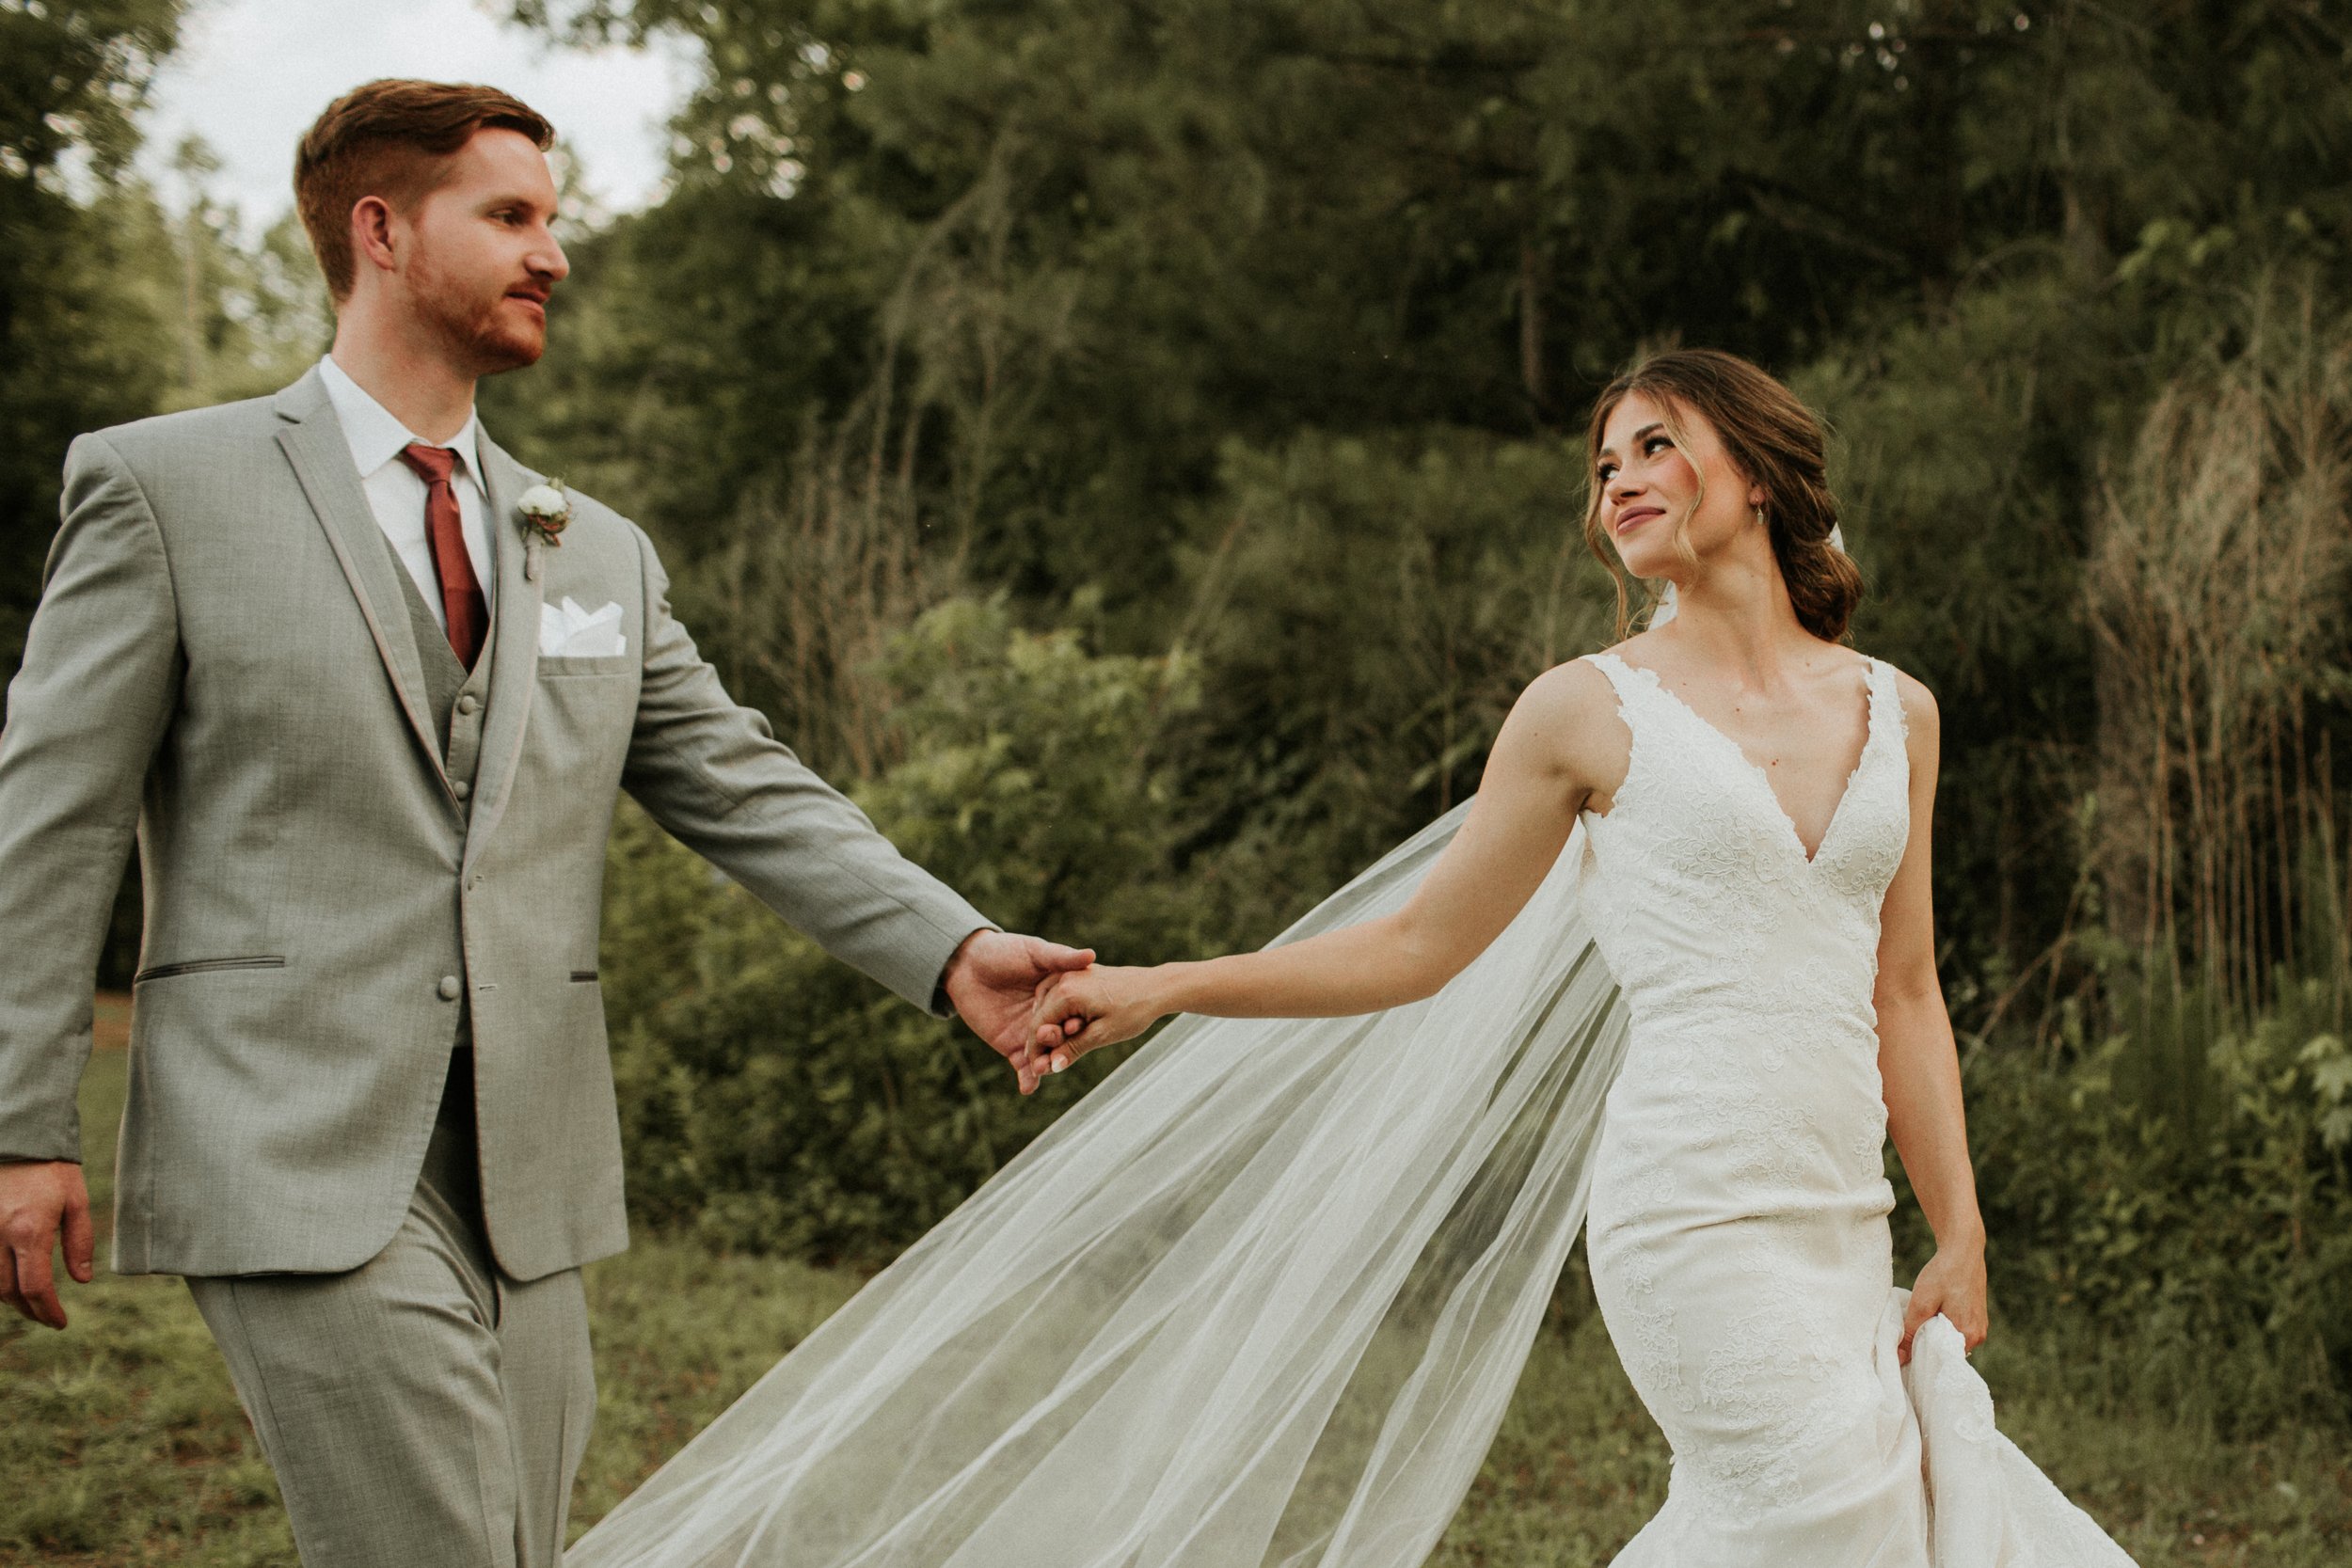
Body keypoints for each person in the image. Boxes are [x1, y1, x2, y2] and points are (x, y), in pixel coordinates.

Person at [564, 351, 2139, 1566]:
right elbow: (1414, 948)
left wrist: (1962, 1229)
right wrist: (1167, 985)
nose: (1620, 480)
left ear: (1765, 469)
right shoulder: (1587, 709)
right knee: (1832, 1505)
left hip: (1841, 1219)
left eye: (1657, 443)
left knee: (1863, 1521)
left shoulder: (1900, 709)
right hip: (1691, 1212)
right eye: (1603, 463)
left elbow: (1906, 988)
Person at [0, 79, 1090, 1568]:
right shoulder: (163, 488)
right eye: (509, 216)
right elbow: (48, 821)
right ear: (381, 231)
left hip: (530, 1172)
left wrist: (950, 947)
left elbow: (742, 782)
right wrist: (20, 1123)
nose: (552, 254)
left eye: (552, 221)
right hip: (280, 1139)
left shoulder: (594, 550)